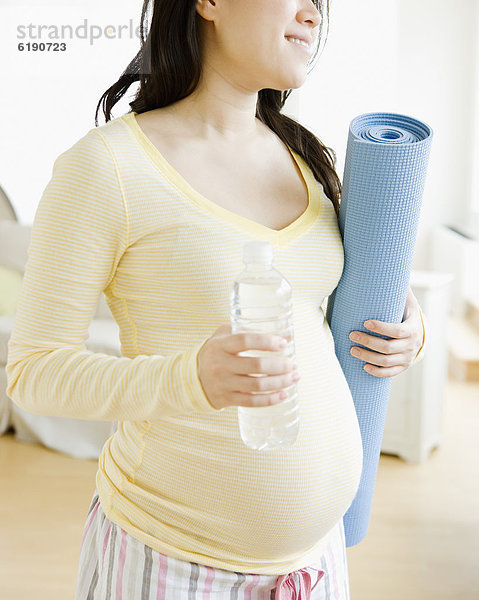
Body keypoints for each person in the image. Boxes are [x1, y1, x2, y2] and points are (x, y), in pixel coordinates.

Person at [6, 0, 426, 598]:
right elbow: (32, 372)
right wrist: (189, 378)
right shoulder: (106, 167)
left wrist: (409, 330)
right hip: (172, 565)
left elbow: (322, 316)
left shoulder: (305, 158)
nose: (314, 13)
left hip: (317, 564)